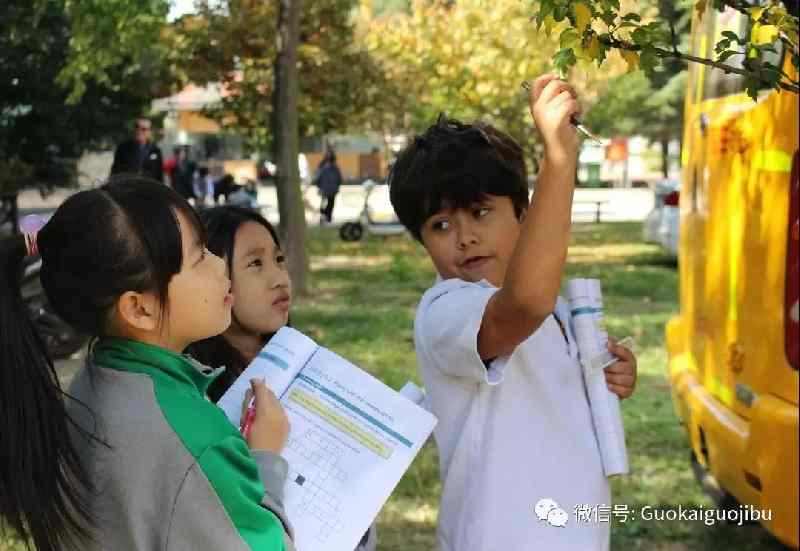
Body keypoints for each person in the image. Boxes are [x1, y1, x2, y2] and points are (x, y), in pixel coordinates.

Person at [387, 75, 638, 551]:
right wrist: (559, 160)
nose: (464, 237)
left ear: (523, 214)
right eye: (440, 225)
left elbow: (549, 370)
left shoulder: (559, 308)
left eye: (481, 212)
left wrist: (614, 374)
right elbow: (522, 305)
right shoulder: (445, 311)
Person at [0, 177, 294, 551]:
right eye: (200, 256)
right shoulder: (196, 442)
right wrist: (265, 457)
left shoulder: (98, 377)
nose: (221, 267)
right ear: (138, 308)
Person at [187, 206, 378, 551]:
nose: (279, 278)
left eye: (278, 259)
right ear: (214, 276)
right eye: (255, 264)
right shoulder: (200, 401)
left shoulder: (306, 372)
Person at [109, 118, 165, 183]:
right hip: (127, 188)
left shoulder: (155, 151)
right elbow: (115, 171)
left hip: (148, 189)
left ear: (149, 132)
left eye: (143, 129)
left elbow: (159, 175)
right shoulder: (123, 148)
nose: (139, 131)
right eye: (137, 127)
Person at [312, 150, 342, 224]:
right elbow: (318, 178)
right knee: (325, 203)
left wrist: (337, 186)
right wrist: (319, 186)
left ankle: (327, 217)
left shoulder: (334, 167)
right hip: (326, 188)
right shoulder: (323, 167)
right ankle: (324, 216)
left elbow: (339, 178)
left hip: (331, 188)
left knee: (330, 203)